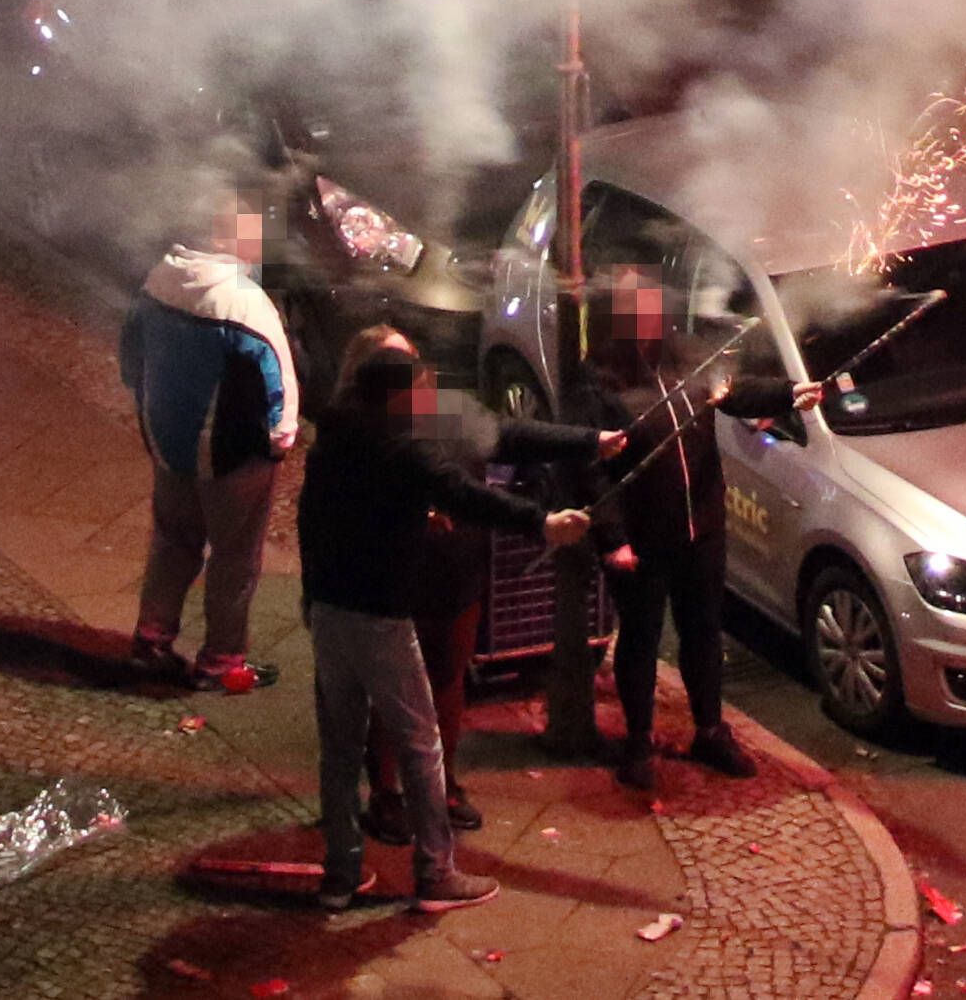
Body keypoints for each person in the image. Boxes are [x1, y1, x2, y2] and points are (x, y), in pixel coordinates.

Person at [298, 337, 589, 917]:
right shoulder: (403, 452)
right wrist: (544, 523)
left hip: (329, 614)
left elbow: (314, 518)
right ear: (395, 397)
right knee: (421, 742)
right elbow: (468, 495)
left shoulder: (333, 439)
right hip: (381, 617)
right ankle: (435, 872)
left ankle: (340, 874)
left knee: (339, 748)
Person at [343, 323, 607, 843]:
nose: (419, 377)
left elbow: (507, 435)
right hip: (395, 584)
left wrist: (590, 442)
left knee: (448, 679)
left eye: (414, 362)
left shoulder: (443, 412)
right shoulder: (364, 436)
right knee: (392, 694)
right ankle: (388, 795)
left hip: (456, 575)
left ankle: (441, 787)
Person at [117, 198, 300, 694]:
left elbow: (130, 356)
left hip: (167, 443)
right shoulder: (244, 303)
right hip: (232, 458)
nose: (259, 241)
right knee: (234, 558)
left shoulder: (158, 279)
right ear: (225, 238)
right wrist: (279, 444)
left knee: (172, 540)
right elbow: (277, 386)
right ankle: (221, 659)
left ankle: (151, 639)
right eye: (251, 231)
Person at [587, 267, 755, 791]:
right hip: (642, 539)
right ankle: (638, 741)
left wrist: (791, 393)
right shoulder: (599, 382)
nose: (650, 317)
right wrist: (613, 539)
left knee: (703, 634)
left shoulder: (687, 357)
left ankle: (710, 729)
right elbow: (588, 470)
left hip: (700, 527)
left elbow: (735, 392)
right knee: (640, 638)